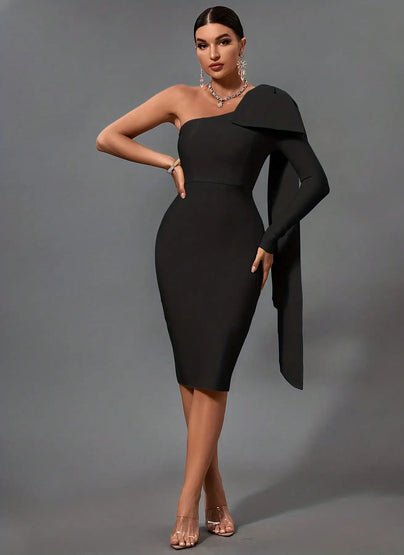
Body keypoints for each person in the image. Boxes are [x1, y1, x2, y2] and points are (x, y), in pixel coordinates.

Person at [96, 5, 330, 550]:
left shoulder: (269, 105)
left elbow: (315, 180)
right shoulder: (179, 98)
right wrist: (169, 163)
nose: (213, 53)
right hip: (180, 244)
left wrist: (272, 239)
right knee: (191, 370)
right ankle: (215, 492)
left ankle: (185, 504)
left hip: (239, 247)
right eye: (202, 44)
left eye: (223, 41)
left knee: (214, 370)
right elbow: (109, 137)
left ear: (243, 44)